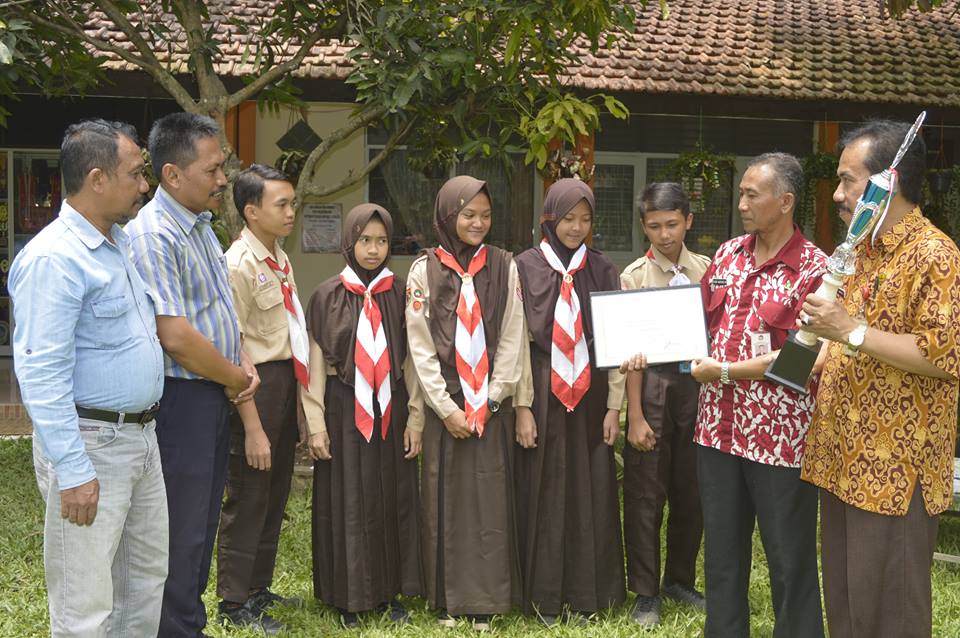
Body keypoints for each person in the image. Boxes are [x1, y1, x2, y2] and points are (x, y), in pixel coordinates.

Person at [800, 120, 960, 638]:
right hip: (841, 457)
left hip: (895, 470)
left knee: (890, 614)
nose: (840, 195)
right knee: (847, 608)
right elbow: (846, 333)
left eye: (849, 180)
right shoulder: (860, 251)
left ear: (884, 183)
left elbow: (944, 355)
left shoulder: (936, 257)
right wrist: (822, 353)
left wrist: (847, 331)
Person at [10, 119, 167, 637]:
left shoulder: (116, 242)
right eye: (136, 174)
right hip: (91, 443)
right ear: (97, 179)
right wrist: (73, 470)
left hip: (140, 438)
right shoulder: (55, 258)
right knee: (86, 605)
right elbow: (41, 373)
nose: (145, 185)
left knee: (142, 587)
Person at [126, 112, 259, 637]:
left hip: (210, 395)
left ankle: (188, 624)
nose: (223, 179)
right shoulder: (155, 235)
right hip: (181, 402)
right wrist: (232, 376)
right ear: (172, 175)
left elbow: (219, 312)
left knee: (200, 528)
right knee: (178, 531)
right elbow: (175, 335)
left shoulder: (200, 228)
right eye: (213, 169)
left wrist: (239, 362)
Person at [690, 153, 826, 638]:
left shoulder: (815, 270)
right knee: (723, 559)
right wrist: (653, 346)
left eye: (753, 194)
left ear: (785, 202)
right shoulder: (726, 255)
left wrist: (723, 370)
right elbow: (694, 326)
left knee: (789, 561)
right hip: (717, 435)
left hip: (779, 442)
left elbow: (800, 358)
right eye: (741, 192)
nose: (741, 202)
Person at [406, 175, 531, 630]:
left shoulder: (505, 265)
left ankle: (489, 600)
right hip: (449, 407)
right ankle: (450, 599)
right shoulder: (424, 271)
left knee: (491, 501)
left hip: (490, 406)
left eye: (486, 215)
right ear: (446, 215)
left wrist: (494, 397)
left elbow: (515, 334)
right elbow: (419, 348)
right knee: (448, 502)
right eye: (468, 214)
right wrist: (446, 408)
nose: (478, 223)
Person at [303, 203, 424, 628]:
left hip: (390, 407)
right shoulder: (326, 295)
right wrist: (315, 426)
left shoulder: (402, 292)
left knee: (391, 498)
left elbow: (412, 362)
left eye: (382, 241)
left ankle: (389, 591)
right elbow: (313, 365)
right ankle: (350, 596)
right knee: (348, 500)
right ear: (349, 242)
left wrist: (415, 419)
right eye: (365, 240)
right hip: (343, 409)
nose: (373, 250)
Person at [512, 178, 625, 624]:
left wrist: (615, 407)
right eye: (568, 218)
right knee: (541, 487)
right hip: (541, 390)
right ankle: (540, 595)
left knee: (591, 488)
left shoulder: (603, 269)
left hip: (592, 392)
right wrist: (522, 406)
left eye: (585, 219)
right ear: (549, 217)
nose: (576, 227)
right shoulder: (523, 267)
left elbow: (615, 345)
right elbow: (515, 341)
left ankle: (588, 595)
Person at [216, 164, 307, 633]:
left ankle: (258, 587)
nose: (292, 212)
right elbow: (234, 348)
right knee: (248, 494)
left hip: (284, 384)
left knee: (274, 493)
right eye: (282, 204)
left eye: (292, 203)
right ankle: (233, 601)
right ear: (252, 211)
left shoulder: (278, 257)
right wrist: (251, 424)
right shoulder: (237, 265)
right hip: (255, 389)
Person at [619, 182, 711, 627]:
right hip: (653, 387)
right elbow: (629, 354)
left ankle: (679, 578)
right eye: (654, 226)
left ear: (688, 221)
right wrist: (634, 415)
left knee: (691, 491)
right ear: (643, 227)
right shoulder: (634, 276)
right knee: (645, 492)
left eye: (672, 224)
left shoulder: (708, 271)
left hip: (697, 386)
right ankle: (645, 590)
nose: (664, 234)